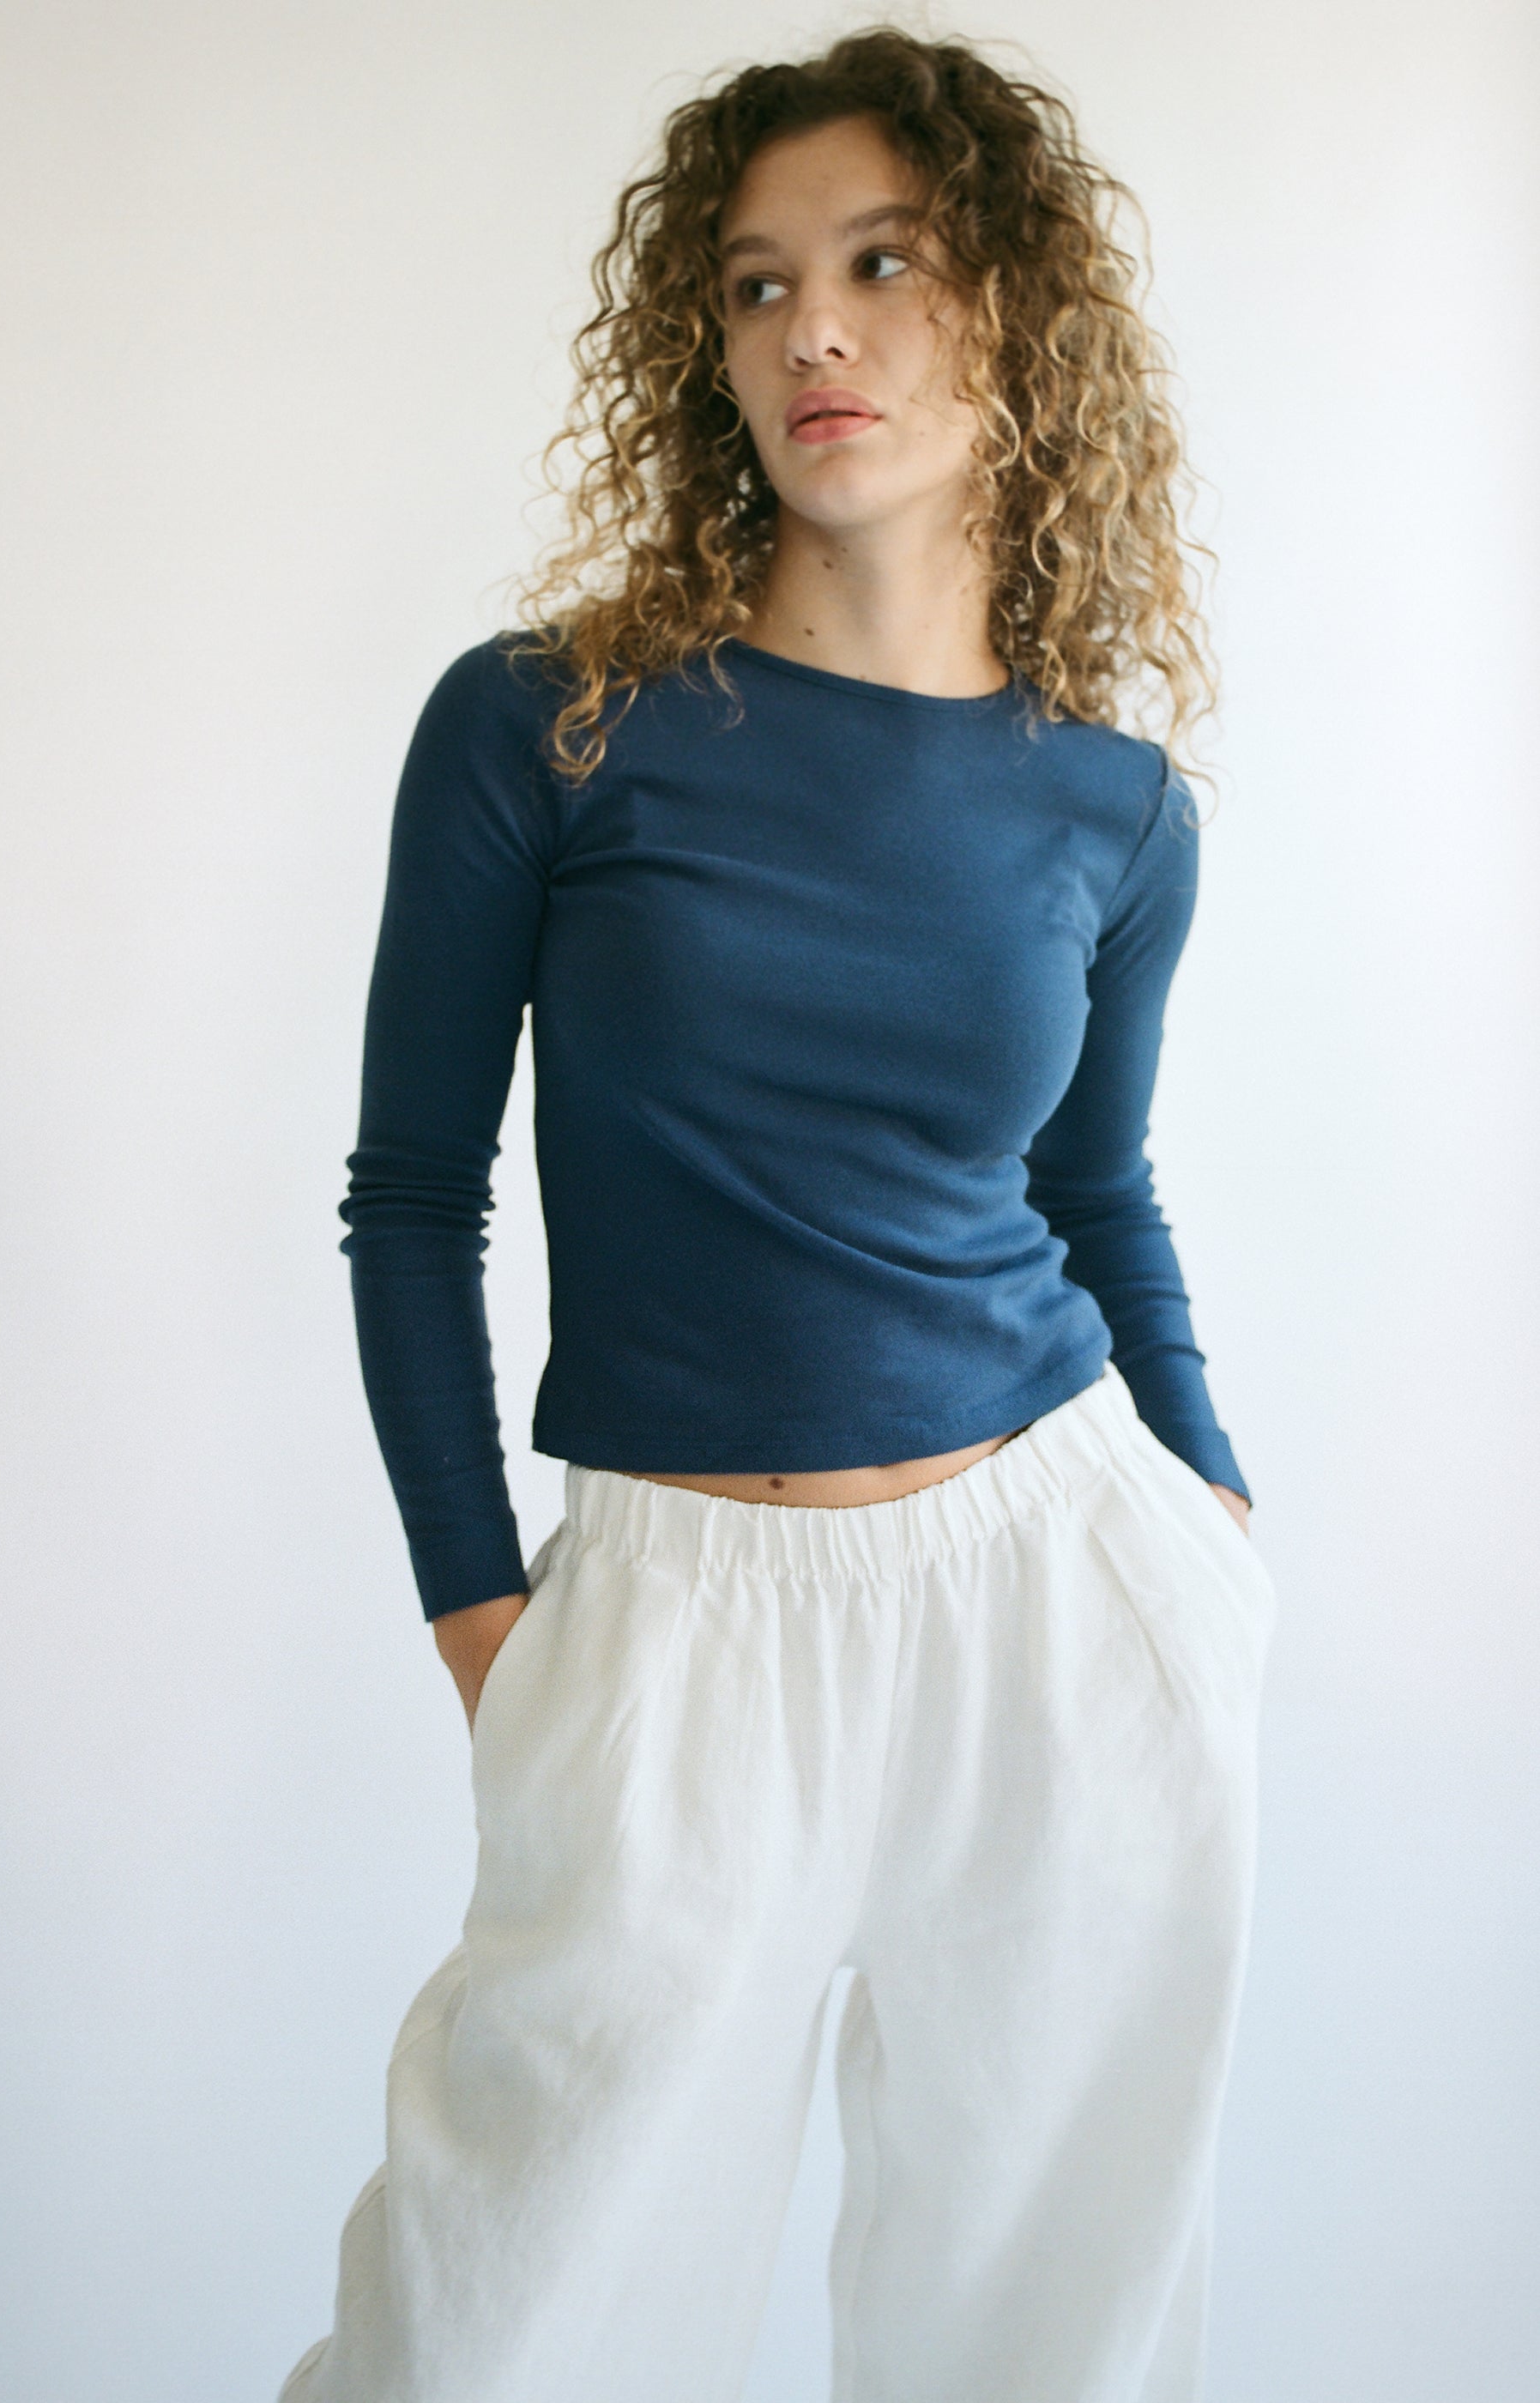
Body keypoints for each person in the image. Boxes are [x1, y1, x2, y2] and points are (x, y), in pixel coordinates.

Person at [281, 27, 1275, 2403]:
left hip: (1057, 1609)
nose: (807, 329)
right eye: (750, 286)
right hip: (671, 1622)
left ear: (1011, 314)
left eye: (879, 262)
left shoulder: (1114, 811)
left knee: (1037, 2338)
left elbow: (1091, 1187)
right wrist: (477, 1614)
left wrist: (1211, 1515)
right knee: (494, 2324)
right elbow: (413, 1196)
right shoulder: (549, 726)